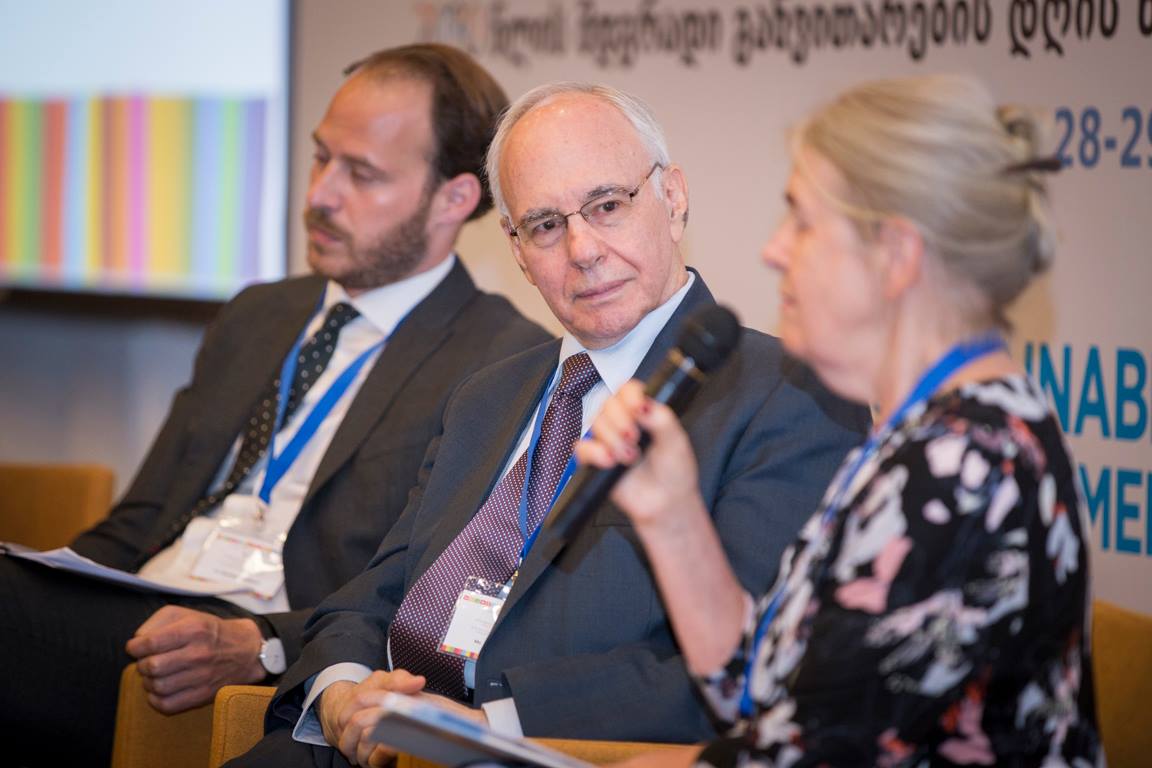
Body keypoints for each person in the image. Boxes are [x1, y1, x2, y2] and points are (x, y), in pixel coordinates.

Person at [228, 82, 870, 767]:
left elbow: (752, 665)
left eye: (607, 206)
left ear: (673, 198)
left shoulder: (789, 395)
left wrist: (486, 724)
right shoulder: (486, 395)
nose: (582, 249)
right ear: (517, 251)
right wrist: (341, 693)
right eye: (544, 226)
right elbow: (373, 595)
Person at [0, 43, 550, 765]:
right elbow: (141, 518)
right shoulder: (259, 313)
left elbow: (428, 596)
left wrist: (263, 645)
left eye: (362, 174)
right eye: (321, 158)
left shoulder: (503, 361)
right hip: (138, 610)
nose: (321, 194)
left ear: (453, 198)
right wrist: (50, 585)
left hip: (264, 637)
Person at [578, 75, 1103, 766]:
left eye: (802, 222)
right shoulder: (931, 434)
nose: (774, 250)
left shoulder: (963, 469)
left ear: (896, 257)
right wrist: (672, 517)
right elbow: (759, 689)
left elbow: (805, 756)